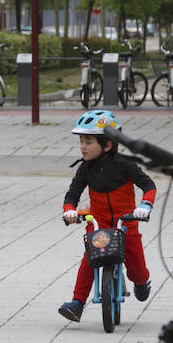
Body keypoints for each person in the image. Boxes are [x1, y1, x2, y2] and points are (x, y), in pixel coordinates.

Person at [57, 110, 156, 322]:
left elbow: (148, 185)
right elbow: (73, 194)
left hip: (126, 223)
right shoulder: (85, 168)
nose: (83, 146)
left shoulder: (125, 164)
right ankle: (77, 303)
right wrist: (69, 211)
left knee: (137, 268)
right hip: (99, 223)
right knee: (89, 258)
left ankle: (141, 281)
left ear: (108, 145)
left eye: (89, 141)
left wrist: (145, 205)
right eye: (81, 141)